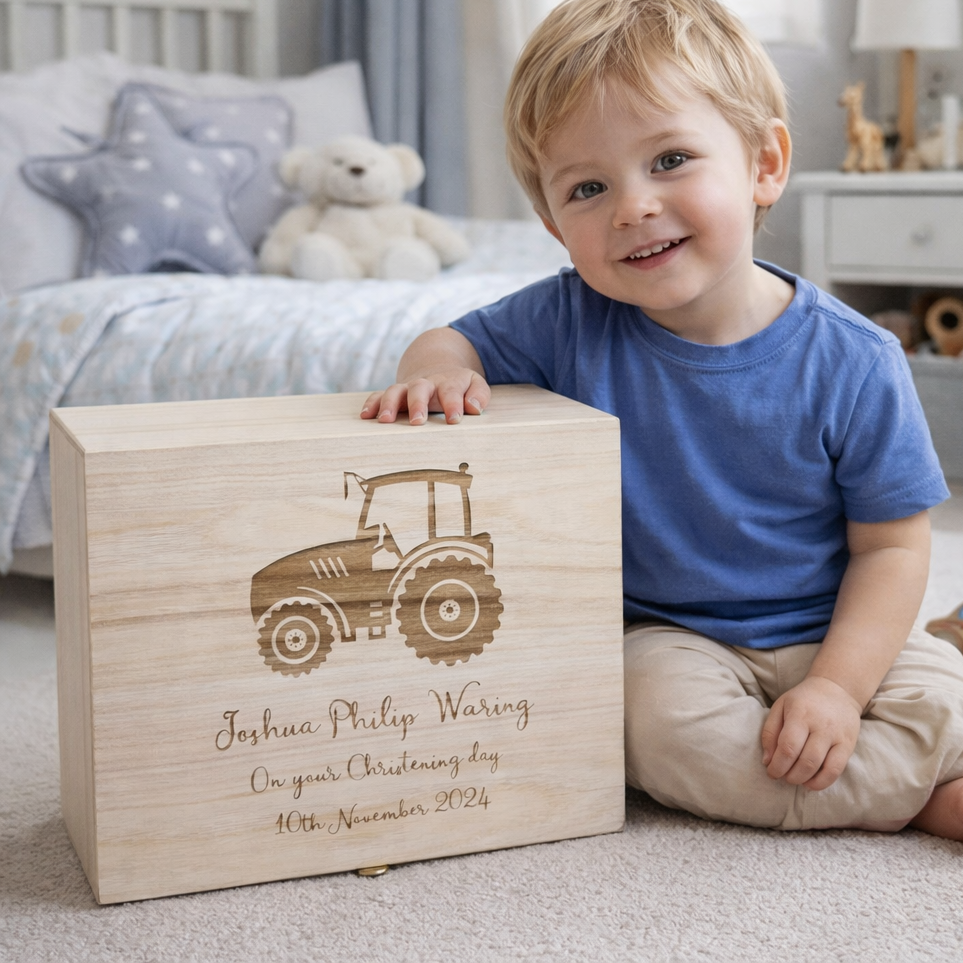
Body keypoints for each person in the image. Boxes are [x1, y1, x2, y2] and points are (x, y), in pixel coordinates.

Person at [362, 0, 963, 839]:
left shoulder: (856, 359)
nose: (632, 207)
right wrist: (434, 372)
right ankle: (921, 796)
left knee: (939, 698)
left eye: (670, 159)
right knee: (649, 723)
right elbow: (448, 339)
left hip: (839, 626)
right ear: (552, 225)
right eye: (588, 187)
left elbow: (892, 549)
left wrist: (835, 687)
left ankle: (903, 736)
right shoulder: (564, 320)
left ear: (764, 164)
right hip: (672, 637)